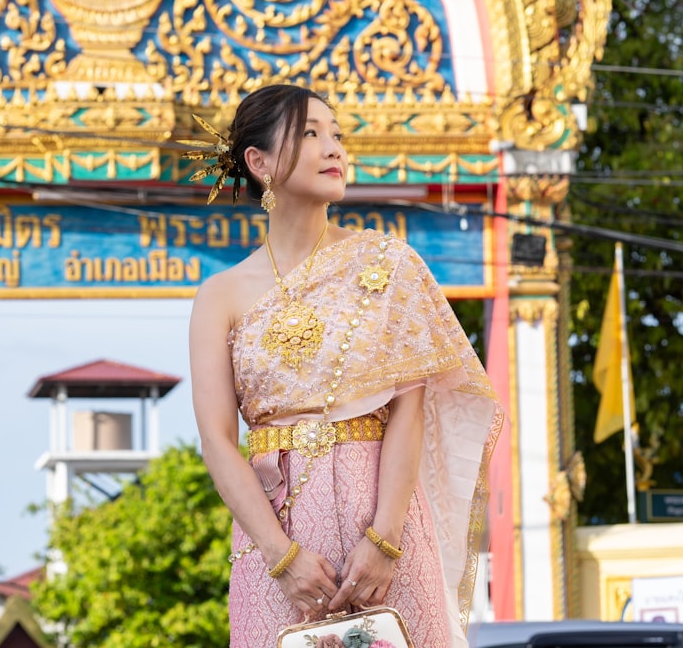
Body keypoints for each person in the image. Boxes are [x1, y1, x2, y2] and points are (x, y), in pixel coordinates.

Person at [187, 84, 504, 648]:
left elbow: (409, 409)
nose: (334, 147)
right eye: (310, 133)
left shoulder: (390, 265)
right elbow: (217, 440)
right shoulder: (220, 296)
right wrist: (280, 558)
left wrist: (384, 542)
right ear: (258, 163)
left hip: (385, 527)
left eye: (337, 134)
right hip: (274, 535)